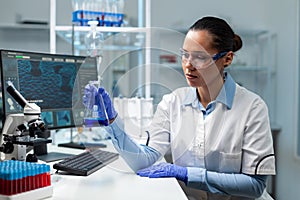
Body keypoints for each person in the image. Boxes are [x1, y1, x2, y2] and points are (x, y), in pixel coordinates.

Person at [83, 16, 276, 200]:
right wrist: (112, 123)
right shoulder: (172, 102)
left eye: (200, 57)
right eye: (185, 55)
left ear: (227, 59)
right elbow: (143, 161)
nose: (188, 66)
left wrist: (186, 174)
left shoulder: (252, 108)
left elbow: (255, 185)